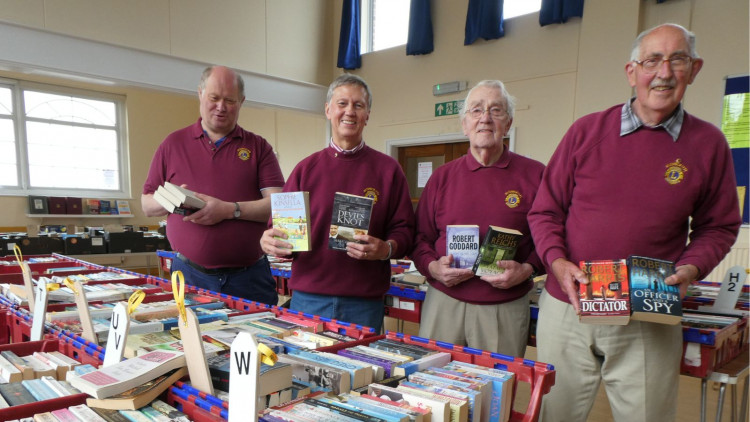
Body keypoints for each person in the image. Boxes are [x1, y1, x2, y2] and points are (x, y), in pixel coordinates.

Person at [528, 24, 741, 422]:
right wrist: (557, 263)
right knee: (554, 414)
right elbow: (545, 212)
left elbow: (720, 226)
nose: (663, 72)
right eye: (651, 61)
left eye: (676, 60)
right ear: (632, 71)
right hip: (568, 307)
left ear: (694, 69)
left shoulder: (708, 144)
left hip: (648, 313)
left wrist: (692, 267)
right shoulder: (585, 132)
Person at [260, 74, 415, 333]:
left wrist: (386, 249)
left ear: (368, 114)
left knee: (365, 373)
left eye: (358, 105)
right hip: (308, 300)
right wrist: (270, 241)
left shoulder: (389, 171)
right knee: (303, 372)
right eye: (342, 103)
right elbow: (279, 228)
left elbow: (406, 231)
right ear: (328, 110)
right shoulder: (305, 170)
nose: (350, 112)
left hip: (364, 304)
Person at [410, 80, 545, 357]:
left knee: (496, 393)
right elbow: (419, 237)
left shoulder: (536, 176)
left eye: (496, 110)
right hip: (443, 301)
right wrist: (432, 267)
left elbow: (551, 237)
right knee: (432, 388)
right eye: (476, 110)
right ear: (464, 124)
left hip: (503, 307)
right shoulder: (442, 177)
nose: (485, 118)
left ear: (508, 123)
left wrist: (527, 269)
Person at [142, 65, 284, 306]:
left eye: (230, 100)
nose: (221, 107)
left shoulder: (258, 147)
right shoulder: (172, 144)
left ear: (241, 102)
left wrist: (229, 209)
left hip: (249, 278)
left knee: (256, 343)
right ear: (200, 94)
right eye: (214, 98)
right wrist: (173, 200)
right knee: (189, 342)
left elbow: (279, 205)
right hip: (188, 275)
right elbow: (146, 204)